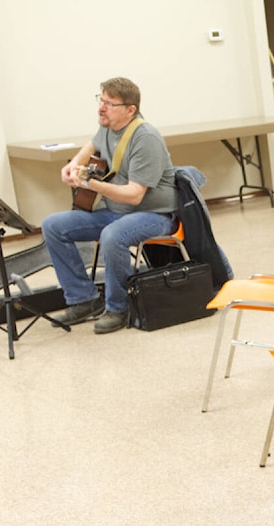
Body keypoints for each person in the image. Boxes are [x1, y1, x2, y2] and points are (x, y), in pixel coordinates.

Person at [43, 77, 178, 334]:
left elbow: (134, 195)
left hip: (153, 214)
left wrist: (90, 184)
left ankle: (118, 308)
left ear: (130, 109)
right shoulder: (107, 127)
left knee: (113, 236)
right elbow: (91, 145)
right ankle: (83, 300)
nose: (101, 108)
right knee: (53, 226)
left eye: (109, 104)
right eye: (100, 100)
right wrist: (72, 166)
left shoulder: (145, 137)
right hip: (116, 211)